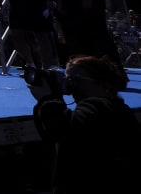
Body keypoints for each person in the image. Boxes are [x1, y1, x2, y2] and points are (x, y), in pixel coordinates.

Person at [29, 55, 141, 192]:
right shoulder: (116, 108)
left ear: (103, 84)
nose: (70, 85)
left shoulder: (100, 106)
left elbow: (65, 131)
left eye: (75, 80)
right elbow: (54, 135)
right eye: (66, 79)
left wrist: (47, 98)